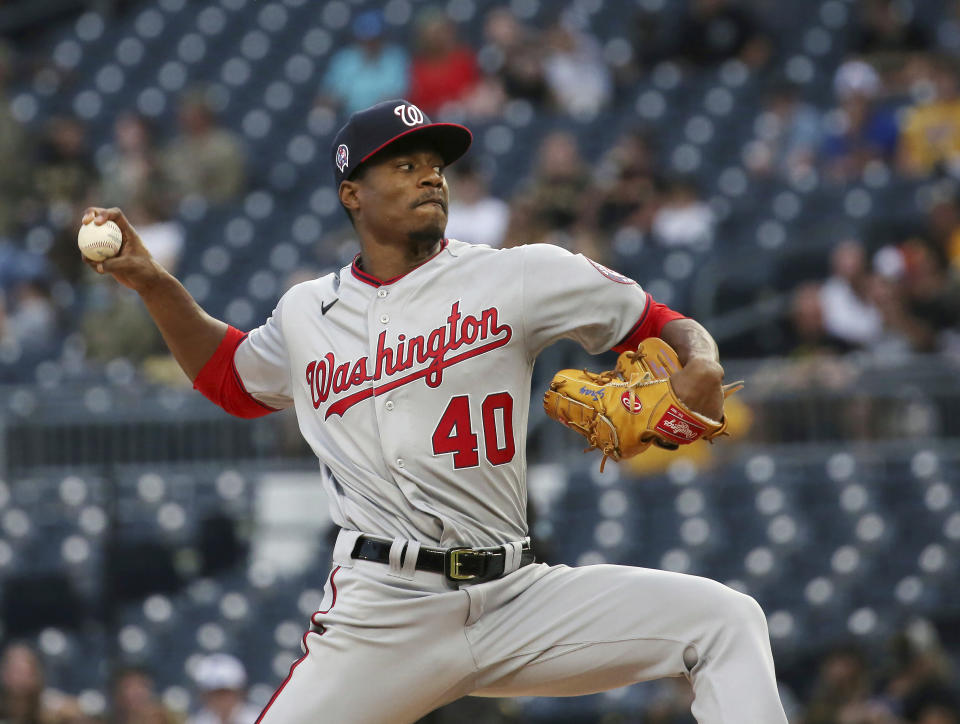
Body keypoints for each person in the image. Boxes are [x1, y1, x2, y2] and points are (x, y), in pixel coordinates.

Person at [81, 98, 788, 723]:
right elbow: (230, 379)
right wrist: (152, 283)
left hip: (517, 597)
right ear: (352, 194)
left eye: (435, 163)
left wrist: (702, 362)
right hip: (386, 612)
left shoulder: (517, 275)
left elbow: (657, 320)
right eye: (405, 164)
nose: (430, 175)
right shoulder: (307, 311)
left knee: (726, 622)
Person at [187, 654, 260, 724]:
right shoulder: (198, 721)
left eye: (225, 693)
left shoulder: (259, 719)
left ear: (239, 692)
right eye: (213, 694)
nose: (219, 700)